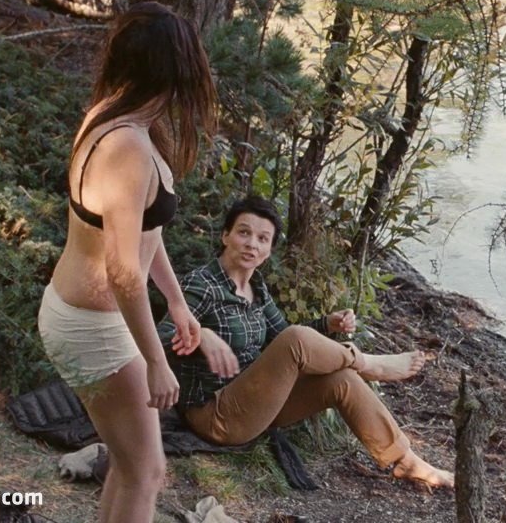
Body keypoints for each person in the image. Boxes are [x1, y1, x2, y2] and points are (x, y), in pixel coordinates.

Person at [36, 2, 216, 523]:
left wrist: (177, 302)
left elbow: (142, 233)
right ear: (176, 68)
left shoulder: (116, 115)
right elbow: (121, 271)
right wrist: (156, 360)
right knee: (146, 471)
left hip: (88, 318)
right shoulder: (127, 147)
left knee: (131, 464)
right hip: (91, 328)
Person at [157, 196, 455, 488]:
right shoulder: (202, 284)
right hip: (216, 415)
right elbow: (159, 339)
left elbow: (286, 339)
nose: (252, 244)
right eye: (243, 232)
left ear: (269, 250)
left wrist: (327, 324)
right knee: (300, 341)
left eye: (262, 238)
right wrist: (202, 335)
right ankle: (367, 364)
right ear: (226, 236)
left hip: (257, 403)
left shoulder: (256, 288)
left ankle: (405, 460)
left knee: (342, 379)